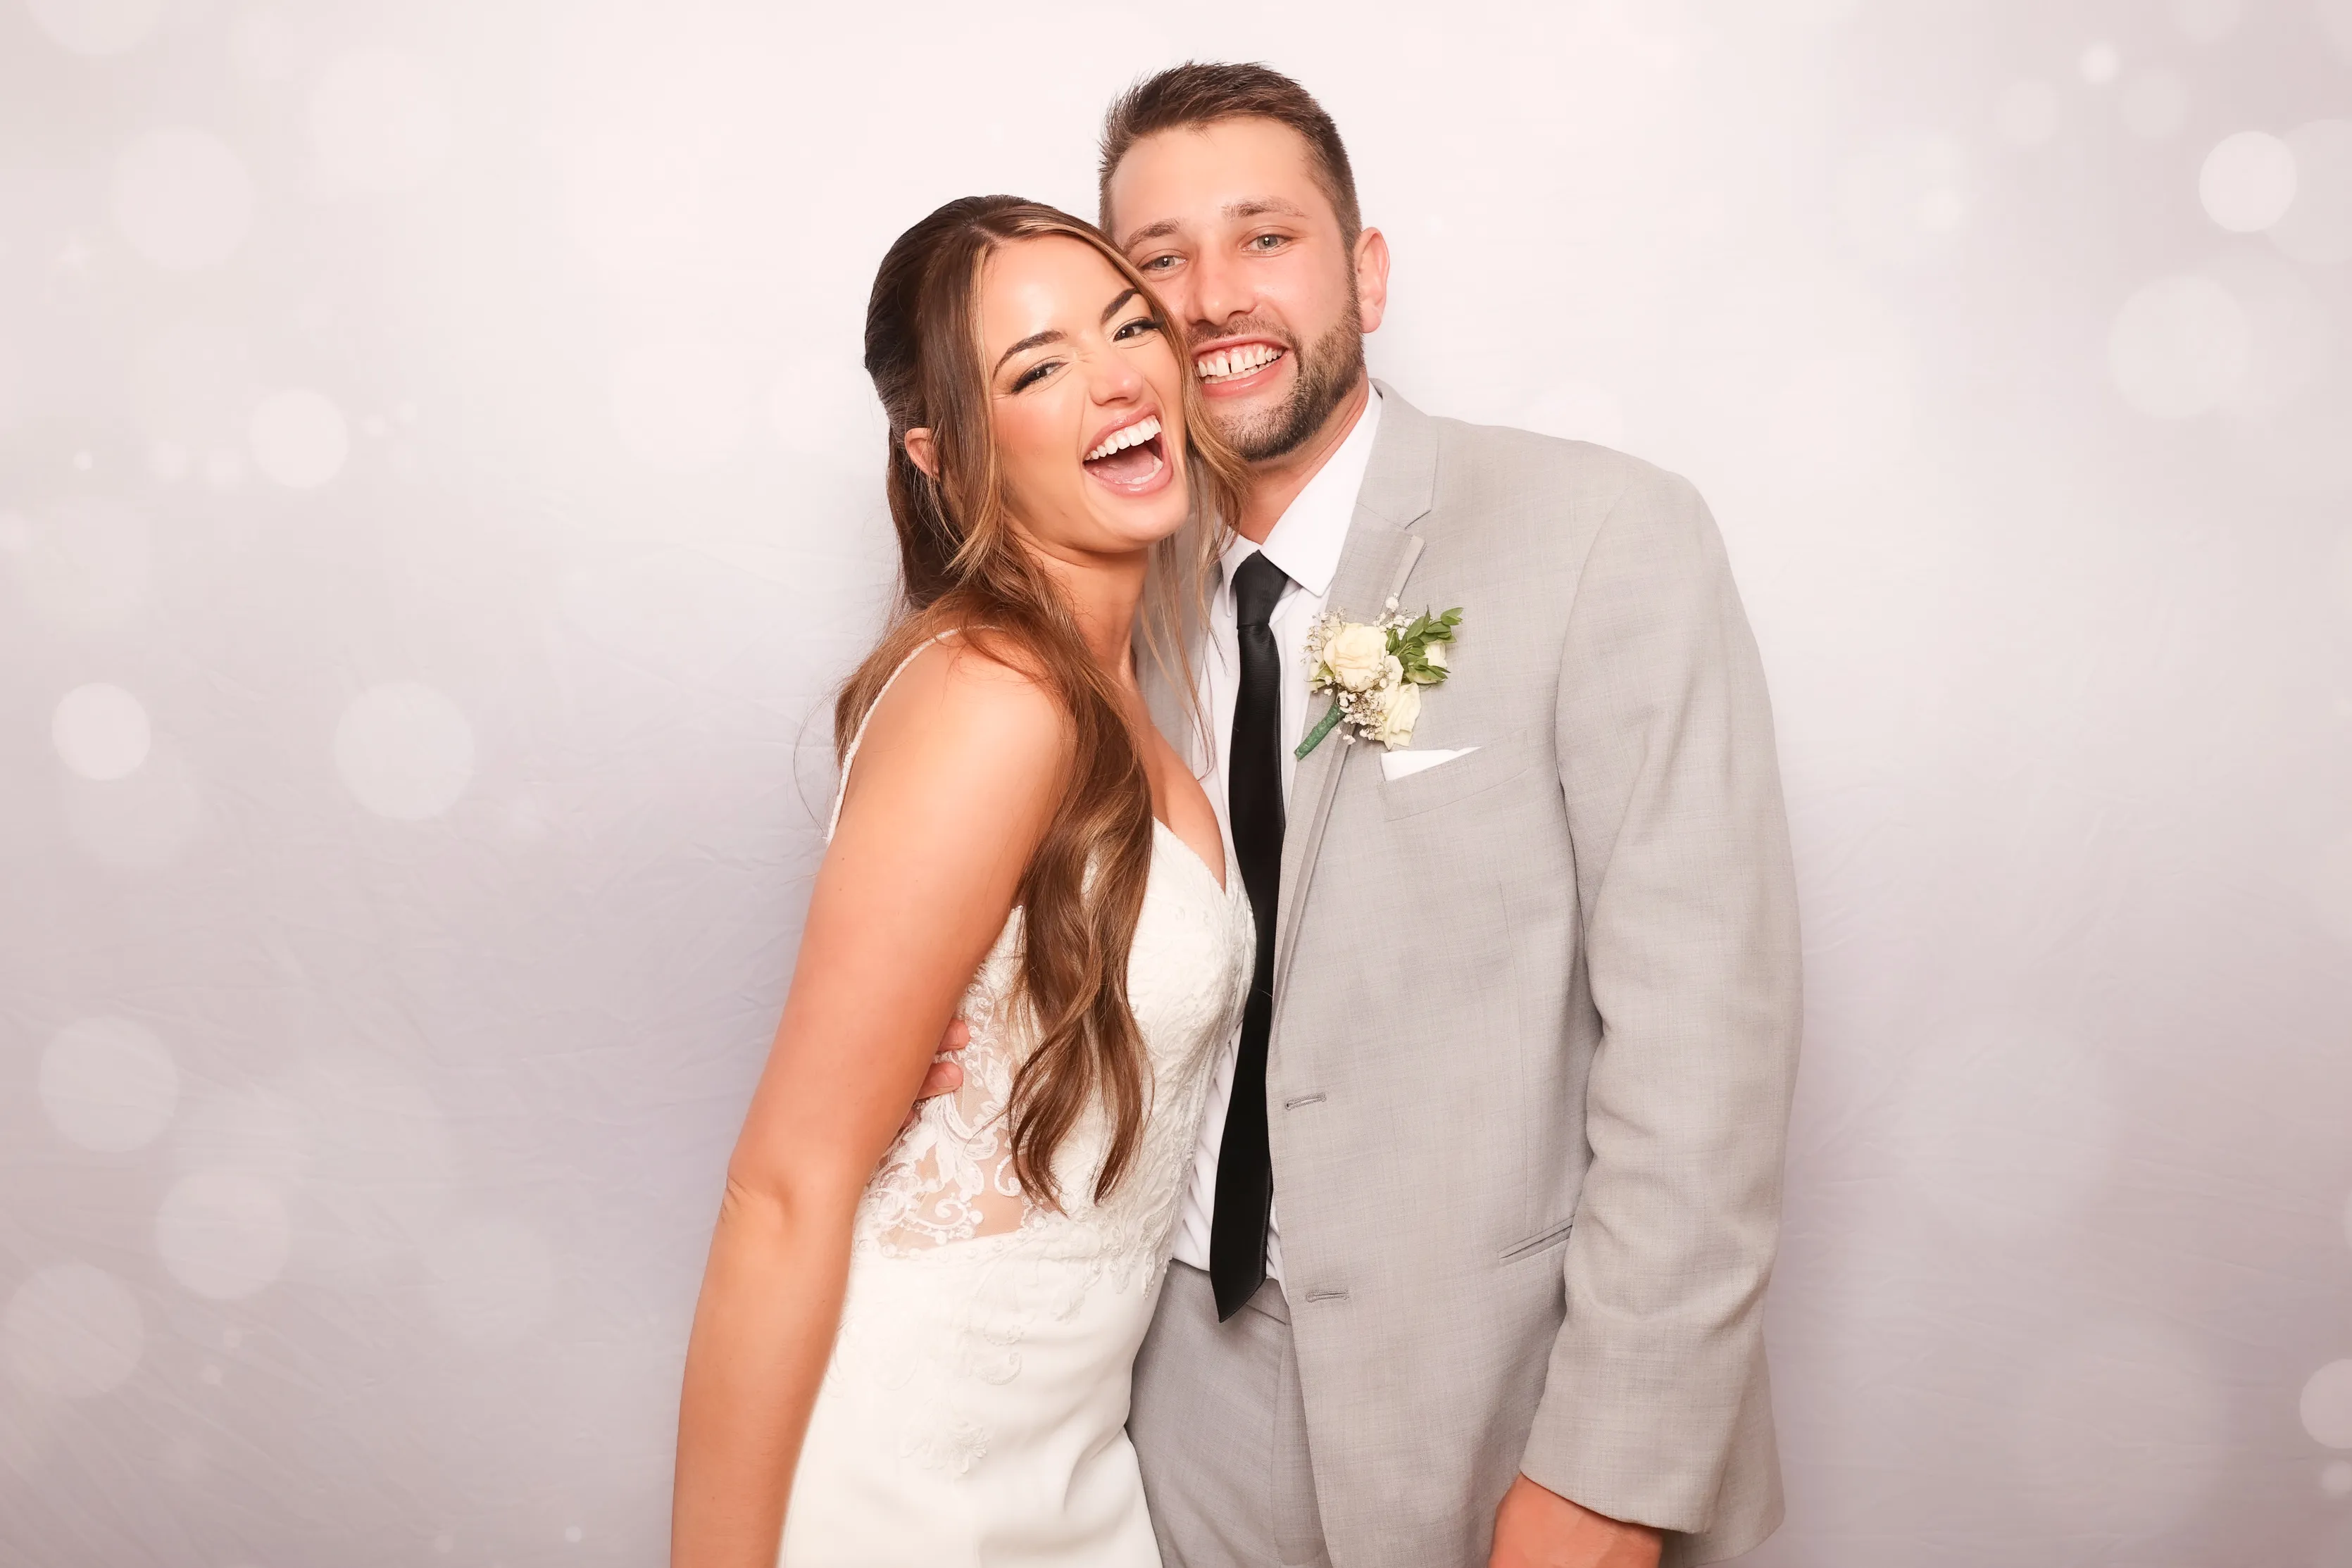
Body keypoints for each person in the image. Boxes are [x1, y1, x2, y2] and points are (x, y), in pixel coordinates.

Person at [1090, 63, 1803, 1568]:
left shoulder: (1603, 535)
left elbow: (1704, 1046)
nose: (1212, 296)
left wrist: (1609, 1477)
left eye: (1263, 237)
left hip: (1502, 1390)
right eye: (1159, 261)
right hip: (1172, 1394)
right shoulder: (1108, 598)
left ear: (1365, 273)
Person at [668, 196, 1258, 1566]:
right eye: (1037, 368)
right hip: (909, 1476)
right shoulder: (993, 699)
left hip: (1071, 1464)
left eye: (1129, 327)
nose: (1117, 379)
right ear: (941, 453)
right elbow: (785, 1186)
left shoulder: (1122, 700)